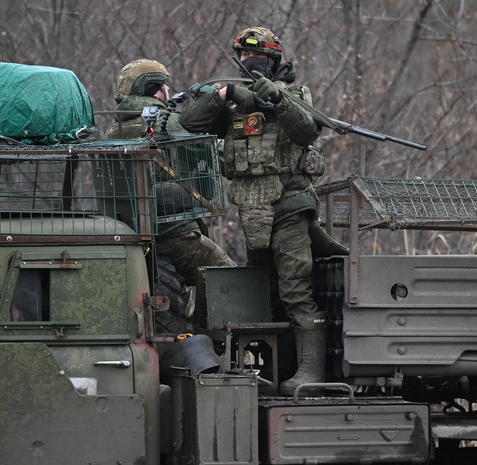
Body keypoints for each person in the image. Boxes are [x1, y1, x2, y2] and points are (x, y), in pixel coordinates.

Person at [179, 27, 348, 396]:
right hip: (253, 209)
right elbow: (189, 123)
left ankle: (310, 371)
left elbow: (306, 132)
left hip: (290, 203)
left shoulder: (295, 94)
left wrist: (278, 101)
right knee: (265, 291)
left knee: (295, 287)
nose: (252, 68)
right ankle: (281, 366)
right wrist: (223, 95)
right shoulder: (232, 99)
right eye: (246, 62)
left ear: (274, 62)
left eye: (260, 62)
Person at [107, 59, 235, 288]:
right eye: (164, 85)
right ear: (154, 91)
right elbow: (224, 158)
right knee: (231, 280)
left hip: (130, 230)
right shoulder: (169, 122)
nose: (168, 90)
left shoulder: (114, 128)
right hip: (173, 232)